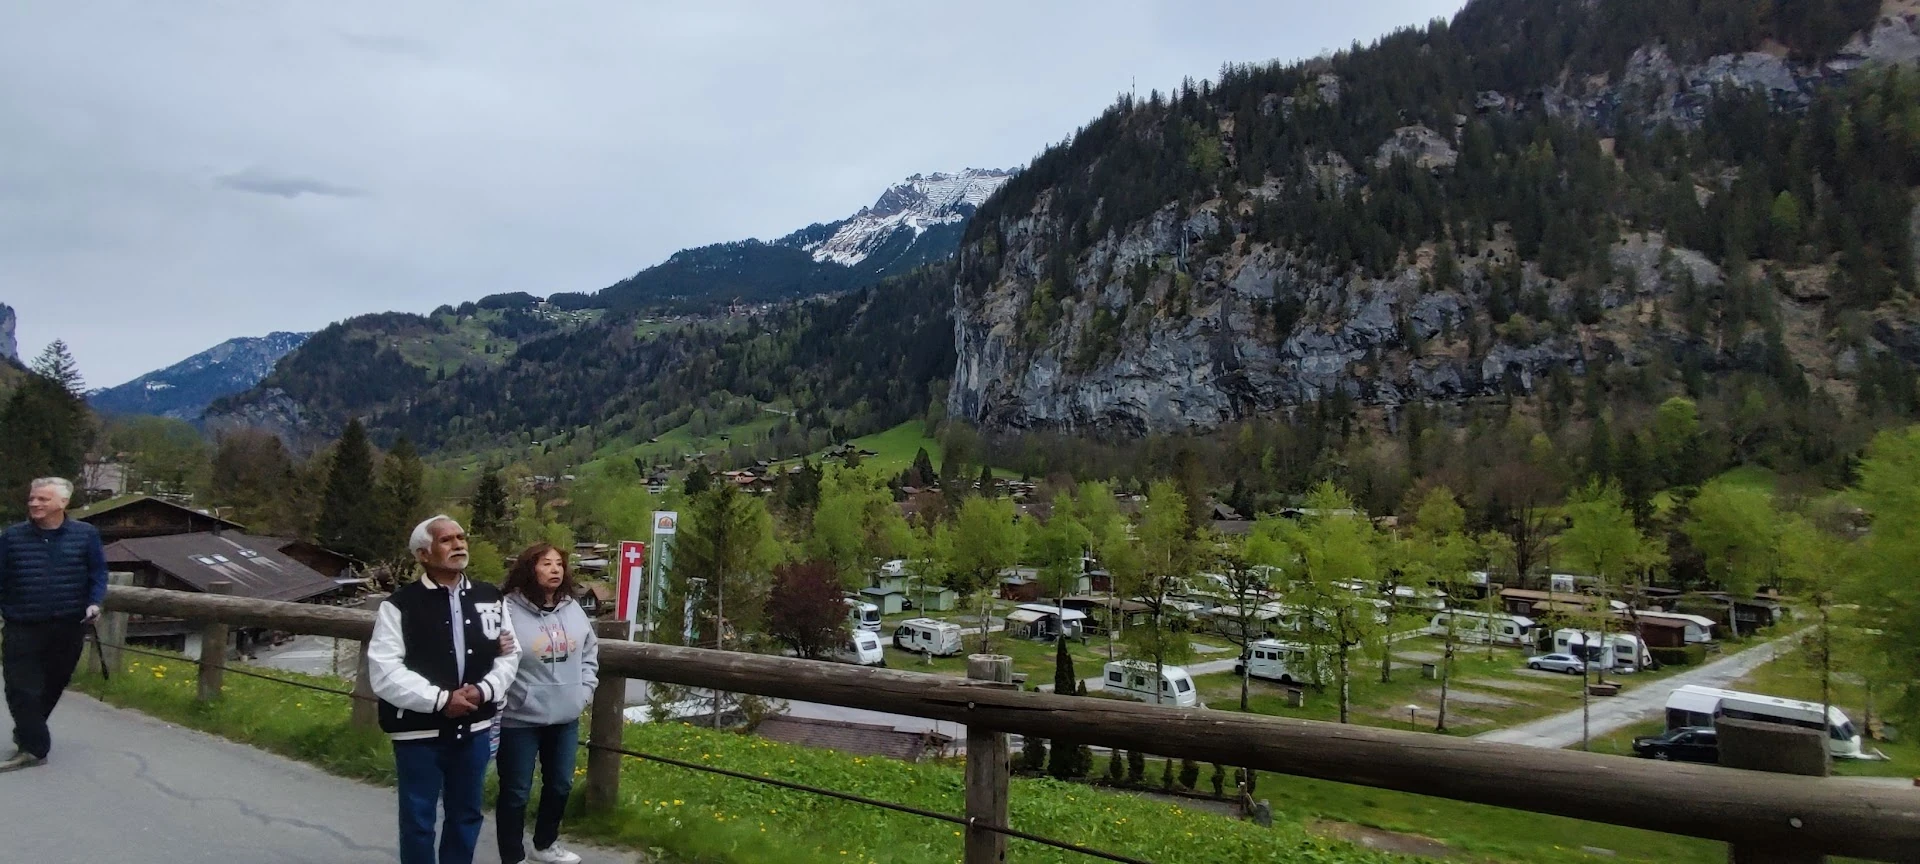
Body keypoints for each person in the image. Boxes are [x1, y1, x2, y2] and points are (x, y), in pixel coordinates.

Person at [367, 516, 520, 864]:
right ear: (423, 553)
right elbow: (385, 668)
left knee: (466, 815)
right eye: (447, 540)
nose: (458, 545)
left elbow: (510, 655)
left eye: (461, 537)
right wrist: (440, 700)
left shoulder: (490, 597)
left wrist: (483, 691)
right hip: (418, 732)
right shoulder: (399, 606)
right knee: (419, 820)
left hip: (474, 727)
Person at [497, 543, 598, 864]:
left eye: (559, 564)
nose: (555, 569)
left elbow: (589, 653)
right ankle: (512, 856)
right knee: (515, 792)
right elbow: (494, 657)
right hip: (519, 718)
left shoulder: (572, 608)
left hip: (565, 715)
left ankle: (545, 844)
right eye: (546, 564)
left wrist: (583, 693)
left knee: (560, 785)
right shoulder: (507, 610)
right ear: (529, 569)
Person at [0, 477, 107, 773]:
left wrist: (95, 601)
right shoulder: (11, 537)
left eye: (43, 499)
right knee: (20, 688)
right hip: (22, 624)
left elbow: (98, 572)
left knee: (52, 685)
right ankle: (35, 749)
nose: (34, 503)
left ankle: (27, 735)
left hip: (69, 625)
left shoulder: (86, 535)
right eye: (32, 498)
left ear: (63, 503)